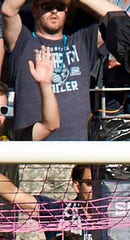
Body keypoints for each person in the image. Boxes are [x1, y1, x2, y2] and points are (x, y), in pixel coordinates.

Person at [2, 0, 119, 141]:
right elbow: (8, 10)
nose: (54, 11)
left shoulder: (82, 40)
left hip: (75, 151)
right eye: (47, 6)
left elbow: (117, 17)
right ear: (34, 10)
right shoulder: (23, 41)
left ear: (67, 12)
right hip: (33, 151)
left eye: (60, 7)